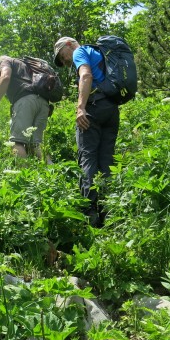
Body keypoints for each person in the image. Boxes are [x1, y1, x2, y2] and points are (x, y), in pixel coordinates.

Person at [53, 36, 119, 228]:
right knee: (107, 159)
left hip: (94, 107)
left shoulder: (80, 52)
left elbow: (86, 75)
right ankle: (109, 210)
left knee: (87, 158)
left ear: (69, 45)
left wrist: (80, 107)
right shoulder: (99, 53)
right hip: (111, 109)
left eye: (63, 57)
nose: (65, 62)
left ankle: (90, 213)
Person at [0, 55, 52, 163]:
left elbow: (5, 77)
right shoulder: (27, 66)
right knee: (36, 143)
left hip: (25, 100)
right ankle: (52, 172)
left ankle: (23, 178)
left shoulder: (5, 61)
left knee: (16, 142)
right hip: (44, 102)